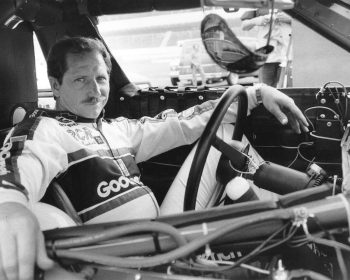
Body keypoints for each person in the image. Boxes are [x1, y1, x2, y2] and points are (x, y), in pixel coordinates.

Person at [0, 36, 308, 280]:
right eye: (81, 79)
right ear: (55, 85)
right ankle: (294, 231)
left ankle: (296, 227)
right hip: (123, 257)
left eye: (101, 78)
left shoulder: (119, 129)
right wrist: (10, 208)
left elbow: (181, 123)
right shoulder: (46, 128)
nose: (95, 90)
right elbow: (16, 165)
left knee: (223, 136)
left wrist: (256, 93)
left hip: (163, 229)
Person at [241, 9, 292, 87]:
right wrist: (257, 20)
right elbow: (244, 26)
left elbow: (308, 22)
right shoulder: (259, 4)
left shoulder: (292, 4)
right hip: (267, 58)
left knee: (289, 90)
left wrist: (291, 19)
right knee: (266, 90)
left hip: (289, 57)